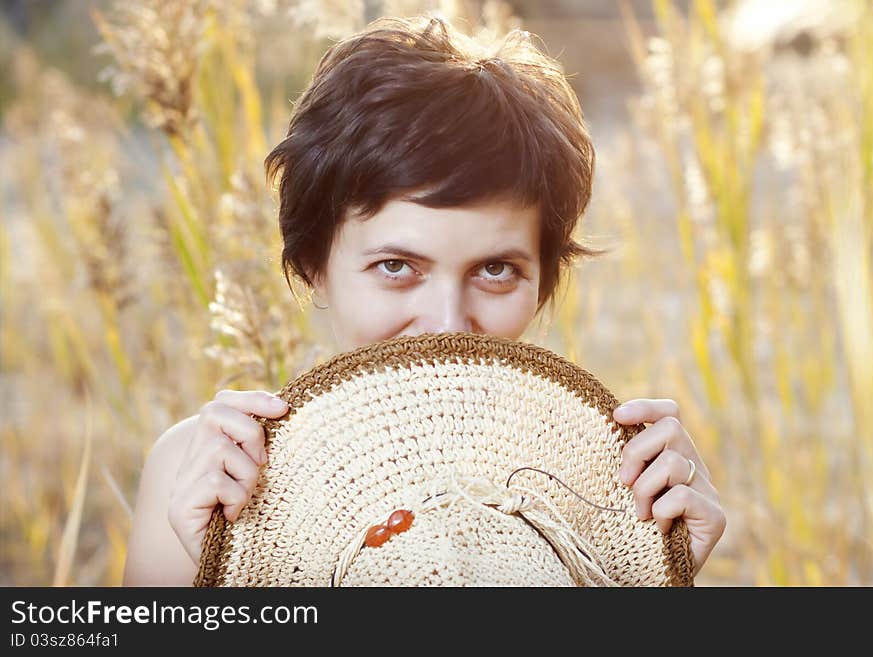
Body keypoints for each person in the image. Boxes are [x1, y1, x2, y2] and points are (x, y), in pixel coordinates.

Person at [122, 14, 725, 586]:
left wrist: (656, 575)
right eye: (396, 266)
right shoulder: (202, 478)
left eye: (495, 269)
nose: (445, 323)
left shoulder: (620, 487)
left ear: (541, 281)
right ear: (313, 265)